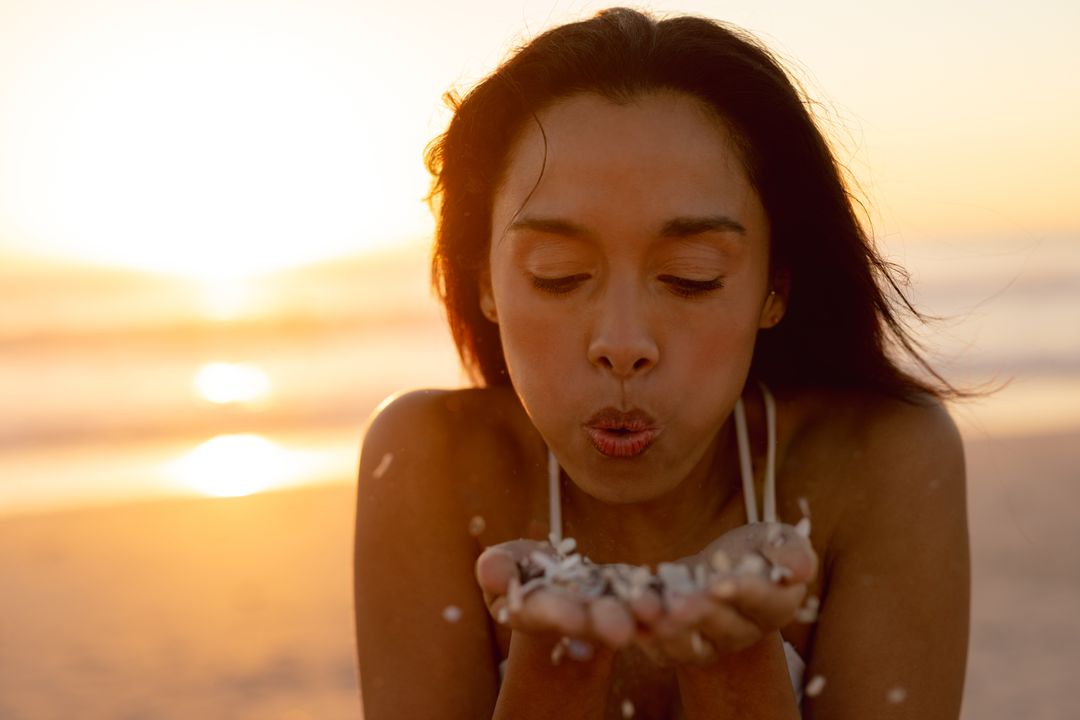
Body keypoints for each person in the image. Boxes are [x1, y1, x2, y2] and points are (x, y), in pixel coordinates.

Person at [353, 7, 969, 718]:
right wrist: (557, 669)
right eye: (557, 274)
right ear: (485, 279)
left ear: (776, 286)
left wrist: (735, 662)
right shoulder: (432, 463)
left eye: (691, 275)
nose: (622, 342)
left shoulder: (878, 461)